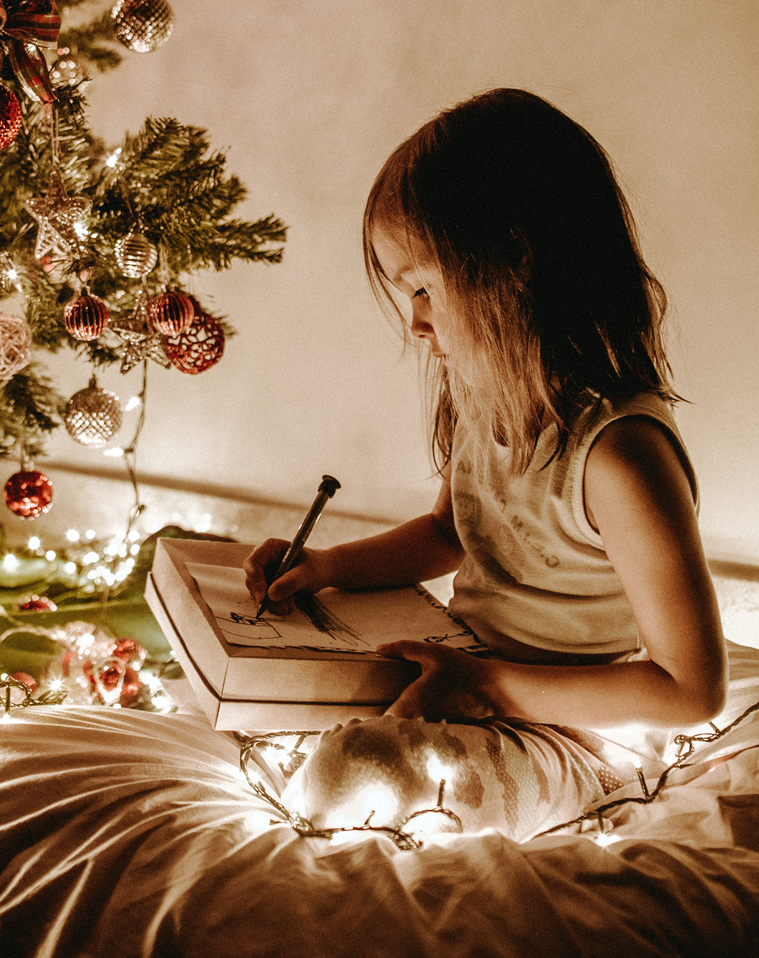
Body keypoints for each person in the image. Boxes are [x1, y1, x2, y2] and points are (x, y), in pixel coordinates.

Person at [245, 88, 726, 734]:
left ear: (514, 262)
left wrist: (489, 687)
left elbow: (691, 691)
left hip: (561, 724)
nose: (415, 322)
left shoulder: (619, 457)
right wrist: (327, 568)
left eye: (423, 288)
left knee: (353, 774)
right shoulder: (485, 399)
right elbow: (448, 534)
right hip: (466, 678)